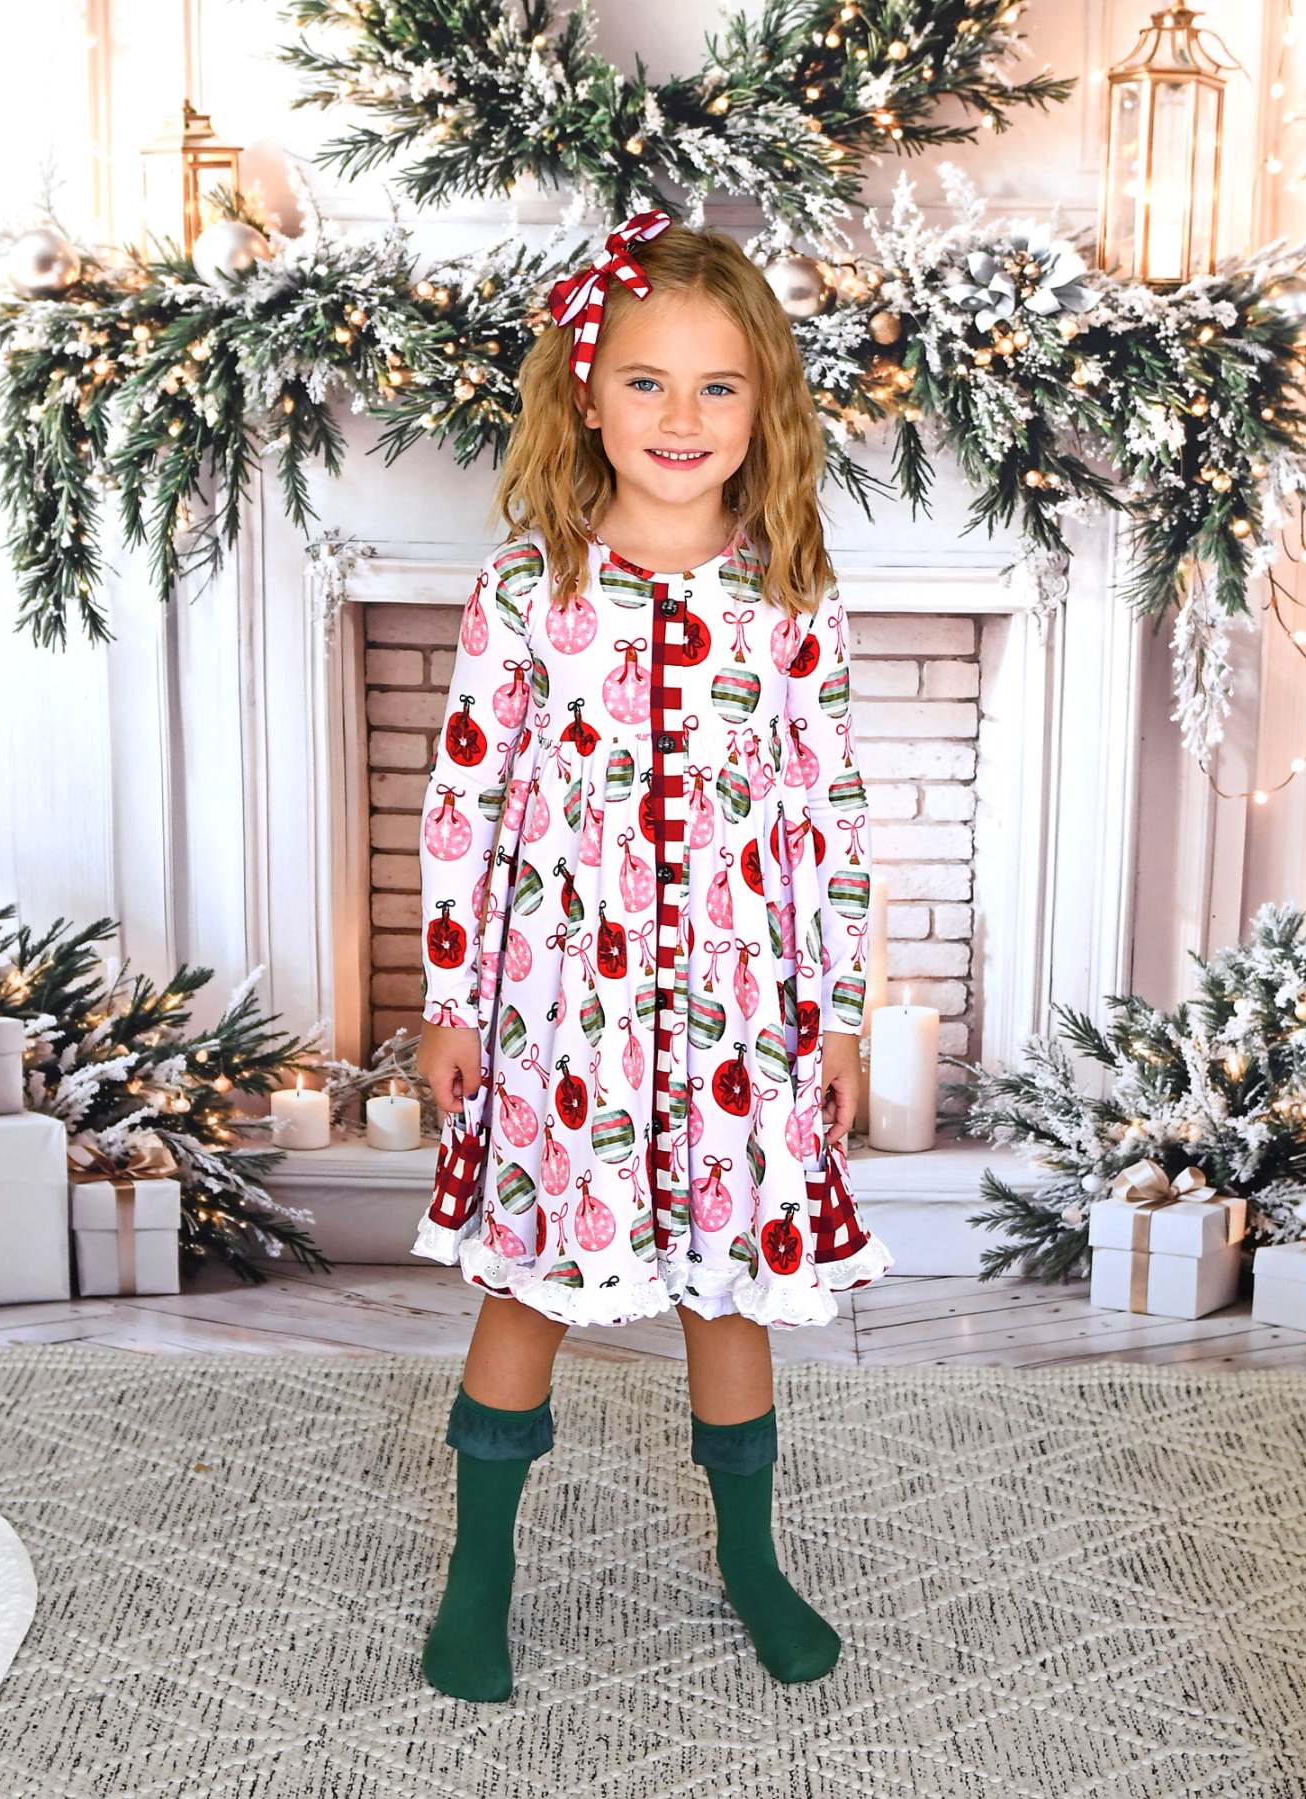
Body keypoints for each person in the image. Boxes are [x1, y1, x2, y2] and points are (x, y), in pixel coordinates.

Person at [412, 210, 893, 1703]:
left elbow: (831, 815)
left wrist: (843, 1015)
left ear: (764, 407)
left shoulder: (791, 597)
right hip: (565, 1014)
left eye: (717, 385)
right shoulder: (525, 588)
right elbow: (464, 798)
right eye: (645, 381)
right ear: (586, 393)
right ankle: (478, 1575)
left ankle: (750, 1556)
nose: (681, 417)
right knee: (529, 1284)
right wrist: (449, 1003)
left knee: (728, 1293)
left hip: (743, 1012)